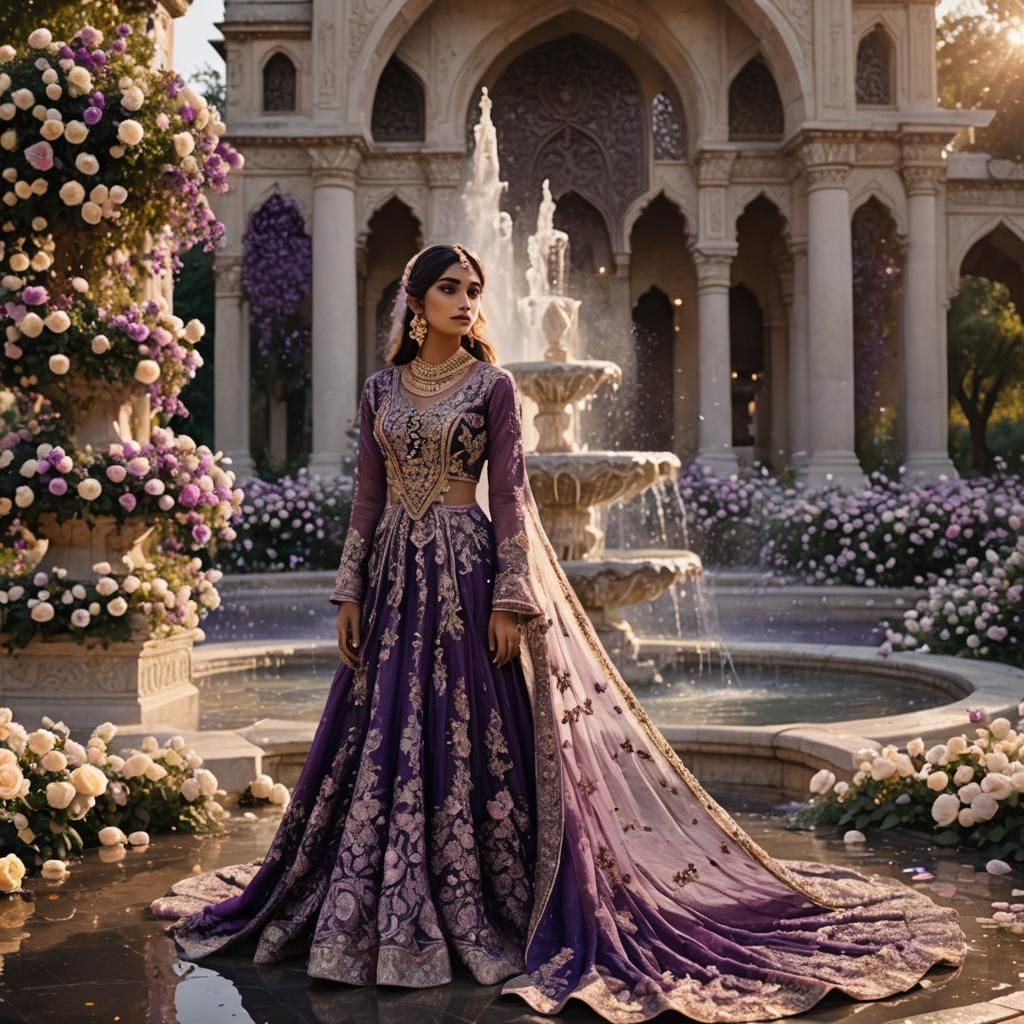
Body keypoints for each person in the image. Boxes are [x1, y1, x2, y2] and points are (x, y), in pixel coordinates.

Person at [154, 243, 966, 1022]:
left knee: (477, 735)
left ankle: (488, 895)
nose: (466, 301)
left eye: (473, 289)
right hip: (396, 582)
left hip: (469, 576)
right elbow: (368, 499)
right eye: (450, 289)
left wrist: (511, 599)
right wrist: (348, 593)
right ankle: (372, 891)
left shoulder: (493, 387)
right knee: (384, 734)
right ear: (416, 300)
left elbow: (509, 499)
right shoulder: (380, 391)